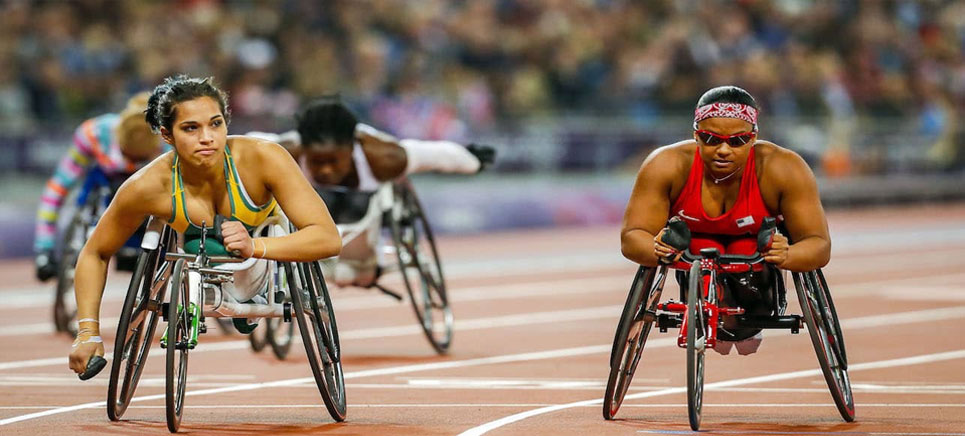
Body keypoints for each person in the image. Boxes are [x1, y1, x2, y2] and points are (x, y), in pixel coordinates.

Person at [67, 75, 341, 376]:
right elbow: (95, 253)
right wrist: (87, 332)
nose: (207, 137)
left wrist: (255, 246)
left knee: (236, 256)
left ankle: (251, 293)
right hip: (196, 251)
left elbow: (327, 238)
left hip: (263, 250)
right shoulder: (146, 187)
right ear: (166, 135)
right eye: (190, 128)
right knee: (202, 246)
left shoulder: (264, 158)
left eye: (215, 123)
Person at [620, 85, 831, 355]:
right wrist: (656, 249)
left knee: (743, 250)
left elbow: (819, 244)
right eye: (710, 139)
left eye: (737, 141)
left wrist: (788, 253)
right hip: (694, 256)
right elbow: (632, 235)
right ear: (695, 135)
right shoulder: (665, 165)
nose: (722, 150)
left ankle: (747, 318)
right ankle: (703, 304)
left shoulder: (785, 168)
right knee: (702, 247)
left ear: (754, 138)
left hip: (755, 256)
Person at [249, 96, 495, 287]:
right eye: (317, 162)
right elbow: (249, 143)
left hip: (363, 227)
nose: (325, 170)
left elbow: (429, 155)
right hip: (314, 220)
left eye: (334, 161)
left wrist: (471, 160)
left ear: (351, 148)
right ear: (304, 150)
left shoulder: (382, 157)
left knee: (360, 259)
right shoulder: (288, 152)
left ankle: (360, 265)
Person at [34, 92, 162, 281]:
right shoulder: (92, 134)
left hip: (144, 191)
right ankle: (87, 232)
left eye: (138, 160)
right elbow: (56, 190)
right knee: (90, 183)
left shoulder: (165, 144)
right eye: (128, 158)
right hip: (103, 181)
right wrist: (44, 249)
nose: (130, 165)